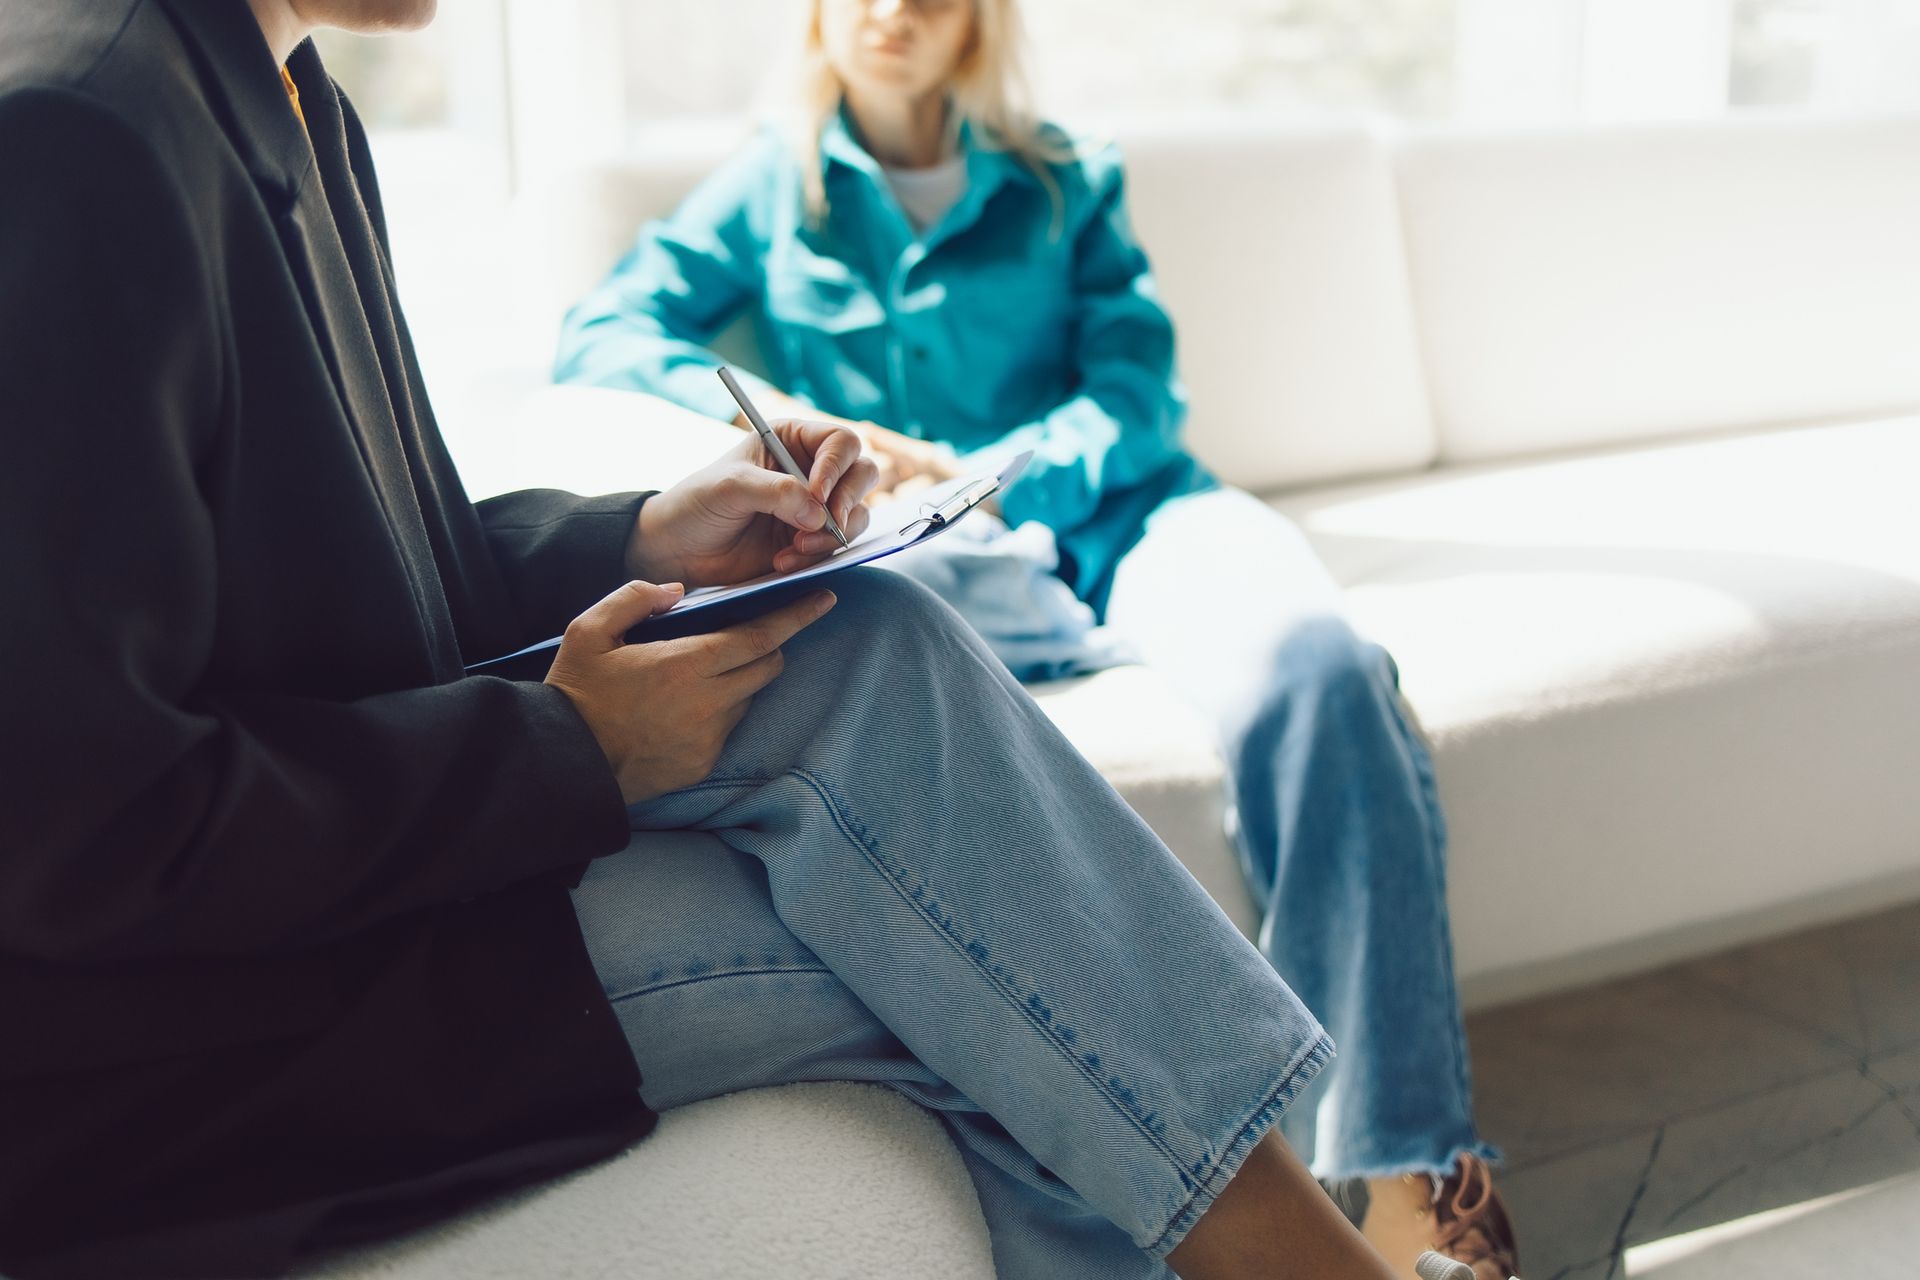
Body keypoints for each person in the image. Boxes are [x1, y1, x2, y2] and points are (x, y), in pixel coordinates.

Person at [0, 1, 1420, 1278]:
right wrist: (569, 750)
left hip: (354, 901)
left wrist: (637, 541)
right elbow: (74, 832)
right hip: (192, 1038)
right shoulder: (77, 133)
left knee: (866, 639)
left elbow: (362, 582)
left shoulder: (289, 94)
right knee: (978, 976)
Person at [553, 1, 1521, 1276]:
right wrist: (789, 419)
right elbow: (603, 334)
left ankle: (1407, 1183)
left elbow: (1136, 390)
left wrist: (1003, 474)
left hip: (1128, 517)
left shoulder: (1065, 179)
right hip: (945, 572)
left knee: (1326, 676)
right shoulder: (766, 192)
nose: (894, 10)